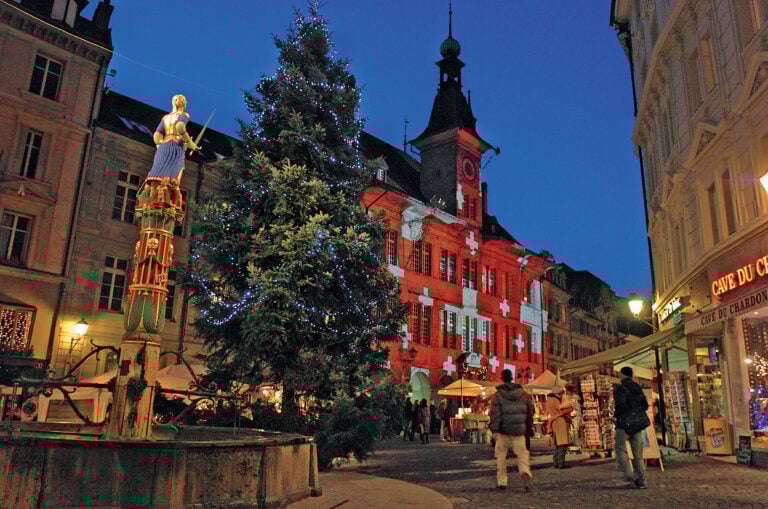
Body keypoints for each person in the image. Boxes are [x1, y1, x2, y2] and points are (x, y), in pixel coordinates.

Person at [489, 369, 534, 492]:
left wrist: (494, 429)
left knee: (501, 456)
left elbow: (494, 414)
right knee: (522, 454)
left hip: (503, 431)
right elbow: (530, 412)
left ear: (502, 378)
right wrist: (529, 427)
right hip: (519, 430)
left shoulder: (497, 395)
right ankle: (525, 473)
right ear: (512, 378)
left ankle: (502, 481)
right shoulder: (523, 394)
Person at [148, 94, 200, 181]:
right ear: (175, 102)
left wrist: (161, 145)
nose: (183, 101)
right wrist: (190, 143)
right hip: (175, 146)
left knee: (157, 175)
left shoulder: (166, 117)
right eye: (181, 99)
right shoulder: (184, 115)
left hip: (163, 147)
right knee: (174, 176)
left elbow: (157, 135)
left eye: (184, 99)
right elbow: (180, 127)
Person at [615, 366, 649, 489]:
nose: (618, 375)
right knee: (638, 454)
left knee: (620, 449)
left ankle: (628, 475)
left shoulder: (621, 388)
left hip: (624, 424)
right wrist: (637, 414)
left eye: (619, 374)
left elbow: (620, 405)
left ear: (623, 375)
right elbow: (645, 405)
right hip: (637, 424)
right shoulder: (637, 387)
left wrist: (618, 416)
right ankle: (641, 481)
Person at [545, 385, 573, 468]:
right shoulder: (555, 400)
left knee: (558, 444)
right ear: (556, 393)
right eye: (560, 393)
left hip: (554, 422)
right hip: (560, 421)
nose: (560, 395)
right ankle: (561, 464)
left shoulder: (548, 400)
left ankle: (556, 462)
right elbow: (561, 410)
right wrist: (569, 409)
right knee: (563, 444)